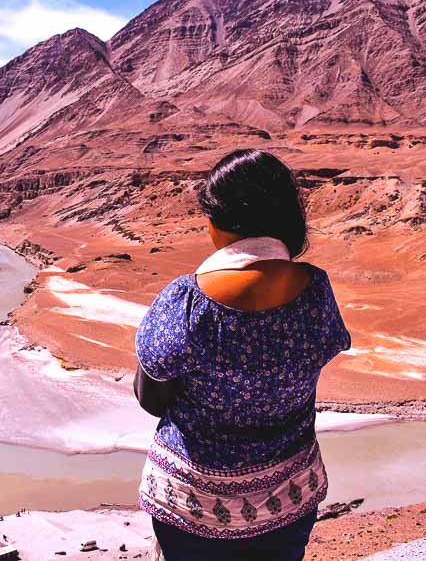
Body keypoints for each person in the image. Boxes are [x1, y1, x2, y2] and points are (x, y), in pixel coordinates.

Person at [134, 149, 351, 561]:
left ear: (220, 223)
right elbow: (329, 345)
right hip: (287, 496)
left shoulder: (186, 302)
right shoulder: (317, 291)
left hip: (194, 504)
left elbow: (150, 394)